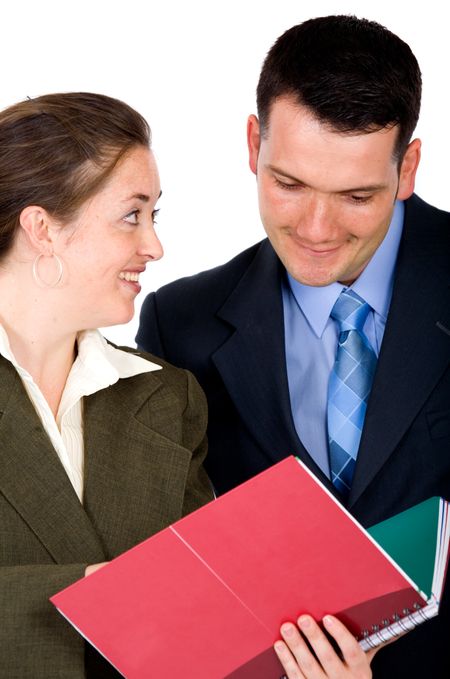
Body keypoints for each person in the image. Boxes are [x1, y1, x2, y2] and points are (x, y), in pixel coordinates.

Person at [137, 15, 450, 679]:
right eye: (290, 183)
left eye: (357, 195)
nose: (315, 228)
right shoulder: (179, 324)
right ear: (254, 144)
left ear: (408, 168)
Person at [0, 92, 215, 678]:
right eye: (131, 215)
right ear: (42, 228)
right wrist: (93, 593)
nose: (154, 246)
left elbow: (206, 620)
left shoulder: (169, 399)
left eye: (154, 215)